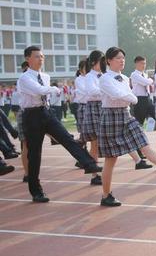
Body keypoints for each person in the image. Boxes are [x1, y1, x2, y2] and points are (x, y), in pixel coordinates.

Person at [97, 47, 156, 206]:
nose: (121, 60)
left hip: (125, 114)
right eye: (118, 58)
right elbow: (119, 95)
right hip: (111, 117)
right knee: (111, 159)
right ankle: (106, 195)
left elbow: (129, 97)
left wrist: (129, 97)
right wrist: (130, 97)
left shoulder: (124, 78)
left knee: (144, 144)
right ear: (109, 61)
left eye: (123, 58)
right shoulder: (104, 78)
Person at [18, 46, 102, 202]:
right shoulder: (25, 78)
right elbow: (40, 90)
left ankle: (88, 163)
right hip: (31, 115)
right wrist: (53, 89)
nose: (41, 59)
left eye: (42, 56)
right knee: (35, 154)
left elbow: (47, 92)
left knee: (67, 138)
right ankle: (36, 191)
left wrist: (51, 90)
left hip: (46, 112)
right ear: (28, 59)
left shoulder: (46, 76)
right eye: (37, 56)